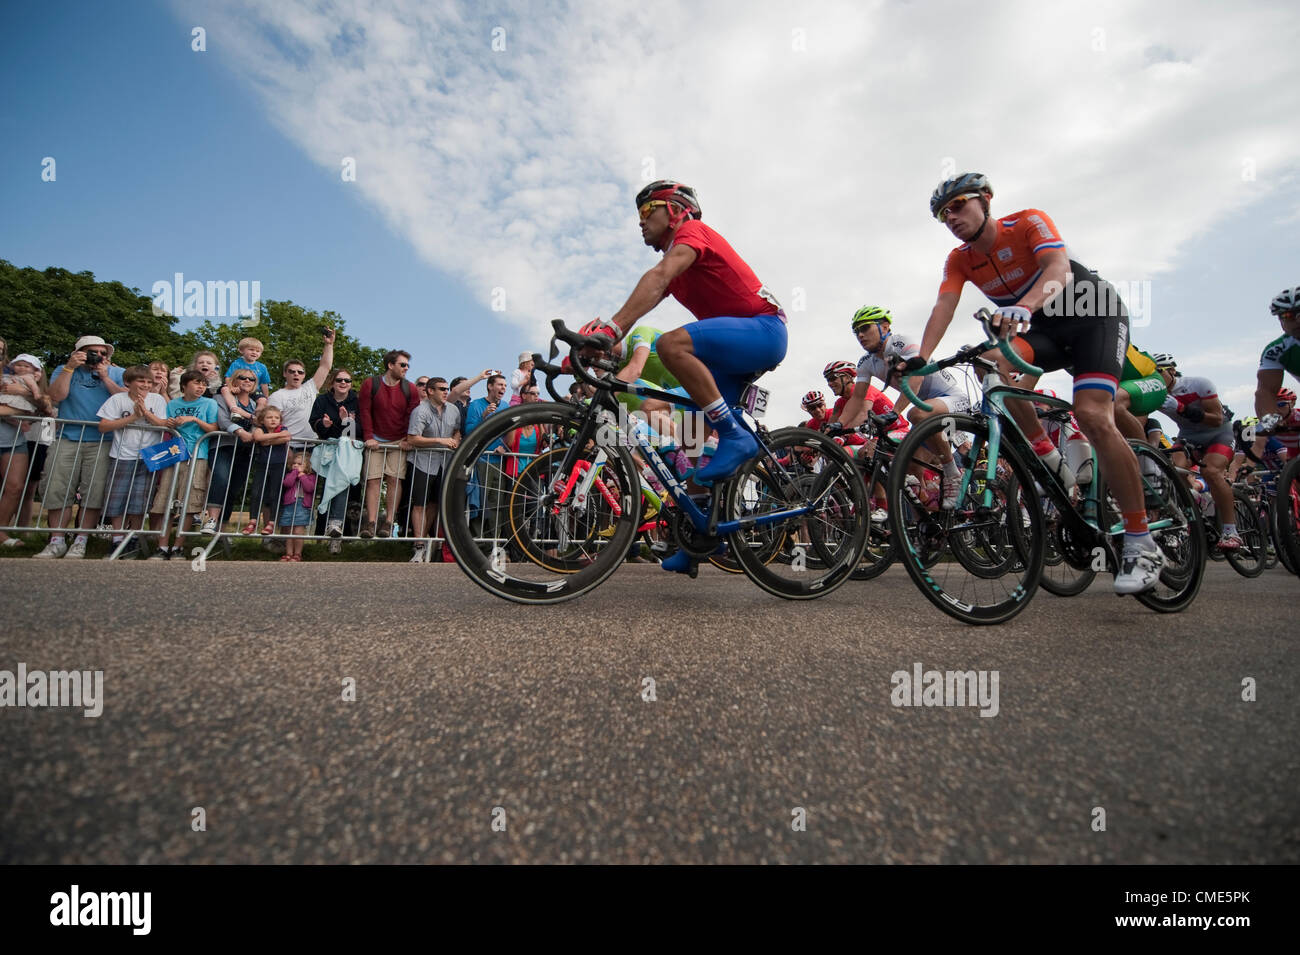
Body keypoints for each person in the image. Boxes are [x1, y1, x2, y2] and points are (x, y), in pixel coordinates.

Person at [917, 172, 1162, 594]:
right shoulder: (960, 259)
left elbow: (1058, 268)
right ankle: (1047, 454)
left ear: (986, 200)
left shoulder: (1027, 222)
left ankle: (1142, 540)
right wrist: (919, 361)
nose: (951, 217)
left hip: (1092, 316)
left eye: (959, 205)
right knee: (990, 365)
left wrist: (1023, 307)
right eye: (944, 214)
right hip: (1043, 329)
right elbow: (945, 305)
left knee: (1091, 414)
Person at [595, 180, 786, 493]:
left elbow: (658, 277)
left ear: (674, 210)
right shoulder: (677, 266)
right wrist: (592, 346)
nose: (640, 221)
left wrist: (610, 329)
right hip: (730, 359)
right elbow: (645, 300)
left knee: (670, 344)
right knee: (692, 445)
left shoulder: (692, 232)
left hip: (764, 329)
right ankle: (705, 537)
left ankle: (734, 435)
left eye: (646, 210)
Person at [835, 306, 965, 503]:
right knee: (911, 468)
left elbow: (916, 379)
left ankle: (952, 472)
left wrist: (895, 412)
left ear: (885, 327)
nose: (860, 335)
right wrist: (838, 425)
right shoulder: (866, 362)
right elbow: (857, 399)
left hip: (951, 399)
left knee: (916, 414)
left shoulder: (901, 342)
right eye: (856, 332)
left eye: (865, 328)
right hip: (925, 407)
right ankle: (930, 525)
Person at [34, 335, 127, 559]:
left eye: (103, 353)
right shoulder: (64, 369)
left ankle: (81, 540)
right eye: (93, 352)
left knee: (94, 492)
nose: (99, 356)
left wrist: (105, 377)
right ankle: (57, 540)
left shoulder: (117, 372)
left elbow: (129, 400)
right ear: (79, 352)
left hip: (102, 441)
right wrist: (69, 368)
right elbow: (56, 396)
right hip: (67, 437)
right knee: (57, 488)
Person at [1152, 356, 1240, 550]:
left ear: (1172, 371)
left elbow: (1216, 419)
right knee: (1172, 471)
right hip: (1188, 436)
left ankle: (1230, 531)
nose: (1154, 378)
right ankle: (1192, 501)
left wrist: (1182, 408)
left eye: (1158, 372)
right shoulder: (1154, 393)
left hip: (1218, 433)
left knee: (1211, 472)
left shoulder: (1198, 384)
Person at [97, 365, 169, 558]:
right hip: (122, 455)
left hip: (148, 456)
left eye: (148, 382)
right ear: (128, 382)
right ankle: (117, 538)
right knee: (117, 499)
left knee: (139, 501)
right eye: (140, 381)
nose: (145, 385)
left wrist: (145, 413)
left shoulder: (158, 399)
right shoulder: (117, 399)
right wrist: (133, 417)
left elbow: (163, 424)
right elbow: (103, 426)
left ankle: (133, 538)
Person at [148, 369, 219, 558]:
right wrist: (169, 423)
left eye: (203, 384)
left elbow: (214, 428)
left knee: (189, 503)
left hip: (198, 455)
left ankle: (179, 546)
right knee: (166, 499)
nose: (201, 387)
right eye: (196, 383)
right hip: (174, 454)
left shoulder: (209, 403)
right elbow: (165, 424)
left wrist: (194, 419)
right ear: (184, 386)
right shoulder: (173, 404)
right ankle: (162, 547)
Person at [358, 349, 420, 539]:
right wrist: (369, 436)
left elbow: (412, 415)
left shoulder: (410, 388)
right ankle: (371, 521)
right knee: (373, 480)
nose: (406, 368)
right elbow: (365, 411)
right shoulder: (371, 384)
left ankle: (388, 521)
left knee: (395, 479)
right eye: (402, 365)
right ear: (390, 365)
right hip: (375, 438)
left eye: (408, 365)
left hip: (399, 440)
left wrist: (407, 439)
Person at [402, 377, 461, 561]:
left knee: (435, 503)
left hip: (444, 462)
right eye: (441, 389)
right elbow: (412, 438)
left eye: (446, 388)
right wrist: (440, 441)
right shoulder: (420, 411)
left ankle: (423, 542)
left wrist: (456, 440)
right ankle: (418, 545)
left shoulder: (453, 409)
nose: (445, 392)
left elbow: (457, 430)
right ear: (430, 391)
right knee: (420, 503)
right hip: (422, 462)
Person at [0, 353, 51, 548]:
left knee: (16, 488)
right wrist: (21, 412)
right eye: (18, 365)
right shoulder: (6, 379)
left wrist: (25, 396)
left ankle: (1, 532)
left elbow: (44, 406)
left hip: (15, 440)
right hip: (11, 431)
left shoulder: (24, 382)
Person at [203, 367, 263, 533]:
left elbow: (259, 423)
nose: (247, 381)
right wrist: (240, 431)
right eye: (243, 377)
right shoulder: (221, 398)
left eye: (251, 379)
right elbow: (222, 420)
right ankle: (212, 519)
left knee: (233, 487)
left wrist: (251, 423)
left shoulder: (254, 405)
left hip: (245, 451)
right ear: (235, 380)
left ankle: (222, 528)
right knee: (221, 479)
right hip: (224, 446)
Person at [310, 368, 361, 541]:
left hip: (348, 454)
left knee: (344, 489)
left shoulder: (356, 401)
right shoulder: (322, 400)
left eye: (347, 381)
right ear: (332, 382)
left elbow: (356, 432)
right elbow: (315, 424)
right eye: (339, 380)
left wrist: (346, 421)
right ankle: (319, 534)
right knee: (325, 492)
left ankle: (341, 535)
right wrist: (324, 424)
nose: (343, 383)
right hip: (327, 452)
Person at [266, 328, 336, 442]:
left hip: (310, 444)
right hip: (288, 445)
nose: (296, 374)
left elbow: (325, 367)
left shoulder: (310, 388)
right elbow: (271, 425)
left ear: (304, 375)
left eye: (300, 372)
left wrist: (329, 345)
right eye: (291, 371)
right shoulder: (277, 396)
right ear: (285, 373)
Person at [463, 373, 509, 538]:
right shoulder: (476, 405)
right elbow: (468, 432)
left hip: (499, 461)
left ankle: (494, 542)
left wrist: (507, 449)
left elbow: (510, 434)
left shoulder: (506, 406)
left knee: (496, 504)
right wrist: (483, 417)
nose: (503, 388)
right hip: (481, 459)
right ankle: (478, 542)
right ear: (490, 386)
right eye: (500, 385)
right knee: (480, 503)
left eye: (505, 385)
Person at [243, 405, 293, 536]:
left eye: (276, 417)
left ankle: (271, 523)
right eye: (269, 417)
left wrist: (268, 441)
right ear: (262, 420)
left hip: (279, 465)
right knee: (256, 493)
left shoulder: (283, 428)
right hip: (262, 465)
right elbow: (258, 438)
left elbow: (287, 436)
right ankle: (252, 521)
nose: (273, 420)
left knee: (274, 494)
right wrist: (276, 437)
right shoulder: (260, 429)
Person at [278, 450, 317, 561]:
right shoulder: (291, 475)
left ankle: (297, 553)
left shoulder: (311, 477)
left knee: (298, 531)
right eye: (294, 463)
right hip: (290, 504)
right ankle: (289, 553)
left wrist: (302, 476)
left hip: (302, 505)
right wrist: (295, 473)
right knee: (289, 531)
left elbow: (309, 488)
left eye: (299, 464)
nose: (296, 465)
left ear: (307, 466)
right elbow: (287, 483)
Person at [221, 336, 273, 407]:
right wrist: (231, 387)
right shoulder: (237, 364)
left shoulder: (262, 367)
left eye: (258, 351)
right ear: (241, 350)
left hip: (255, 390)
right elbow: (228, 378)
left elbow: (264, 384)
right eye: (251, 350)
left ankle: (259, 414)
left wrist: (266, 397)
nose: (254, 352)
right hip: (239, 388)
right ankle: (234, 409)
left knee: (262, 400)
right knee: (225, 389)